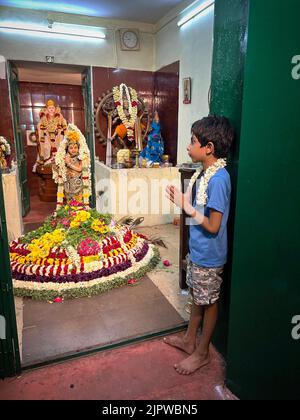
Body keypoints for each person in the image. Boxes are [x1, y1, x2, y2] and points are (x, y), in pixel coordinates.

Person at [165, 115, 235, 375]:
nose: (187, 146)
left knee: (209, 302)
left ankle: (203, 352)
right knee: (197, 297)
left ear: (209, 148)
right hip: (198, 251)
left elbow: (214, 225)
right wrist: (184, 204)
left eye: (192, 141)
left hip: (210, 256)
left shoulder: (219, 179)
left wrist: (186, 206)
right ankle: (188, 339)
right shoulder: (206, 173)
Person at [53, 124, 91, 209]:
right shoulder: (65, 157)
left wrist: (69, 163)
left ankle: (78, 217)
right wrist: (56, 164)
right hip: (68, 185)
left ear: (78, 148)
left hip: (78, 184)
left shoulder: (80, 157)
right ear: (67, 149)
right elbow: (59, 169)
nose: (73, 150)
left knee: (78, 204)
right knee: (70, 204)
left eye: (75, 147)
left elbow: (80, 169)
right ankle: (71, 218)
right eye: (71, 148)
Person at [33, 99, 67, 171]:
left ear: (55, 109)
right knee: (46, 148)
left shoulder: (60, 117)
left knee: (59, 148)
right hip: (46, 138)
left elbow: (64, 125)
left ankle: (57, 160)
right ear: (47, 109)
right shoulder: (43, 118)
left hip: (58, 137)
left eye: (52, 108)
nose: (51, 110)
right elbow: (40, 127)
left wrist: (64, 131)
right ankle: (46, 160)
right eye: (49, 108)